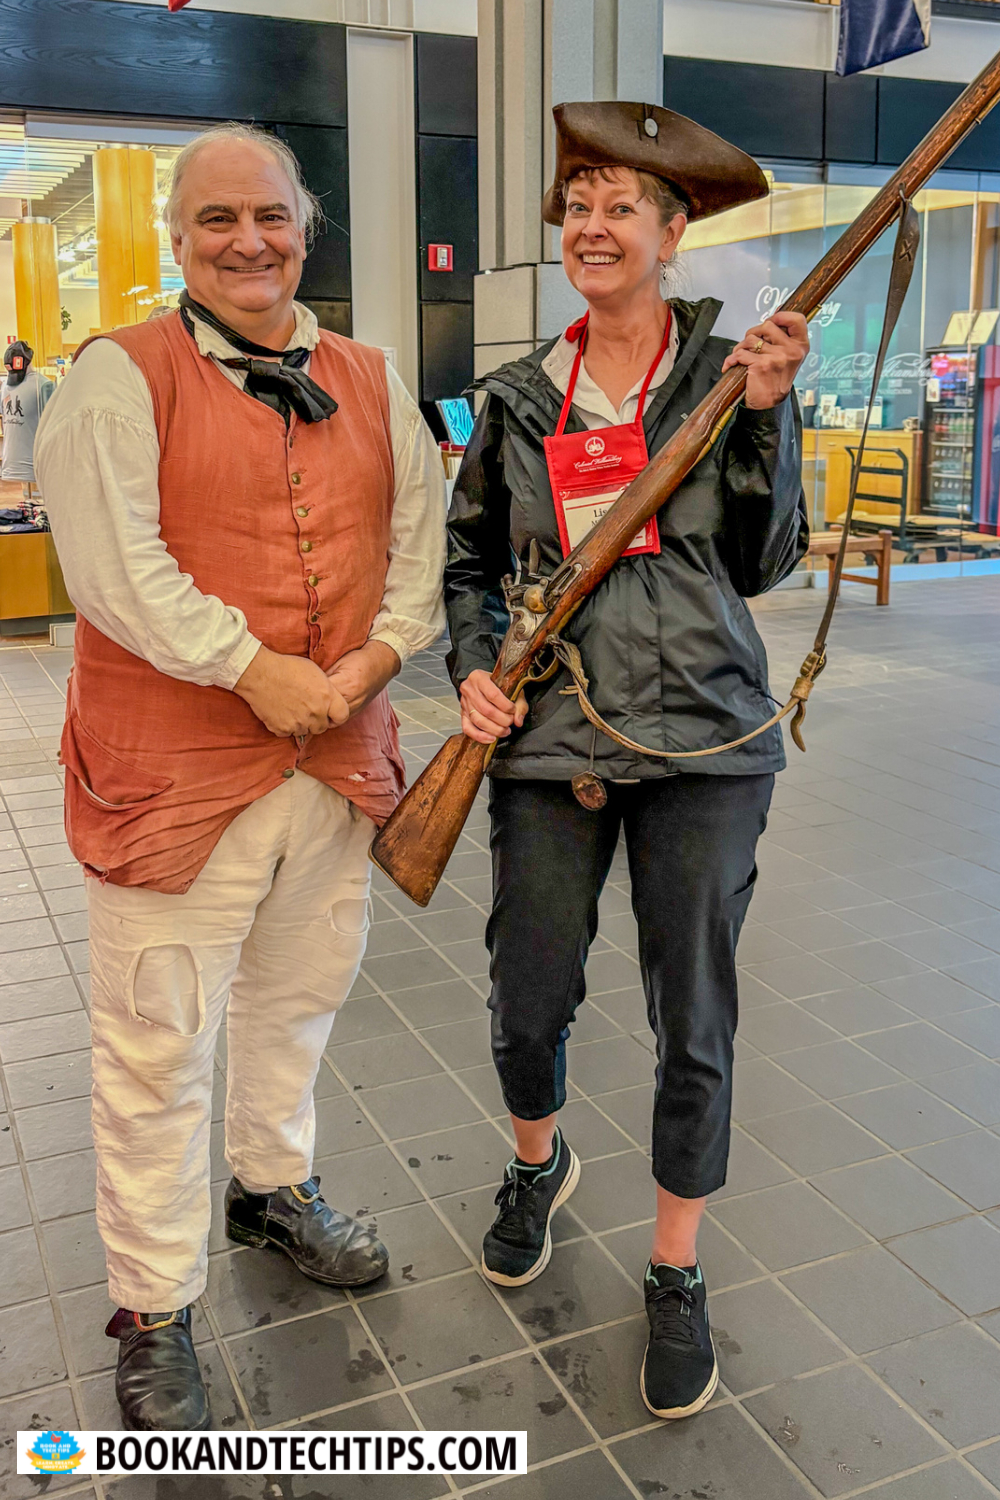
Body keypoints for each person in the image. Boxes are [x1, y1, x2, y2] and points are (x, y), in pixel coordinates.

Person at [35, 123, 446, 1431]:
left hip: (338, 765)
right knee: (157, 1046)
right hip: (170, 779)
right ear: (178, 239)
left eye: (268, 215)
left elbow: (422, 559)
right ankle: (155, 1303)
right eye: (217, 220)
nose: (248, 241)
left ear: (306, 229)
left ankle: (271, 1189)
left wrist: (378, 652)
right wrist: (253, 668)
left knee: (298, 1003)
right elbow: (114, 571)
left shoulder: (377, 379)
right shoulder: (115, 378)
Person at [445, 102, 808, 1422]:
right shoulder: (516, 394)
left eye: (623, 206)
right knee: (527, 991)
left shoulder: (736, 370)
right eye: (580, 202)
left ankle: (674, 1270)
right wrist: (475, 666)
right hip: (549, 739)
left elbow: (768, 563)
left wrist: (764, 418)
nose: (594, 225)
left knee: (691, 1023)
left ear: (673, 232)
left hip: (710, 740)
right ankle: (538, 1164)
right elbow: (470, 563)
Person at [1, 340, 55, 520]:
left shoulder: (43, 386)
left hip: (35, 464)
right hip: (21, 463)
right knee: (30, 511)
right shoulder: (5, 387)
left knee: (39, 512)